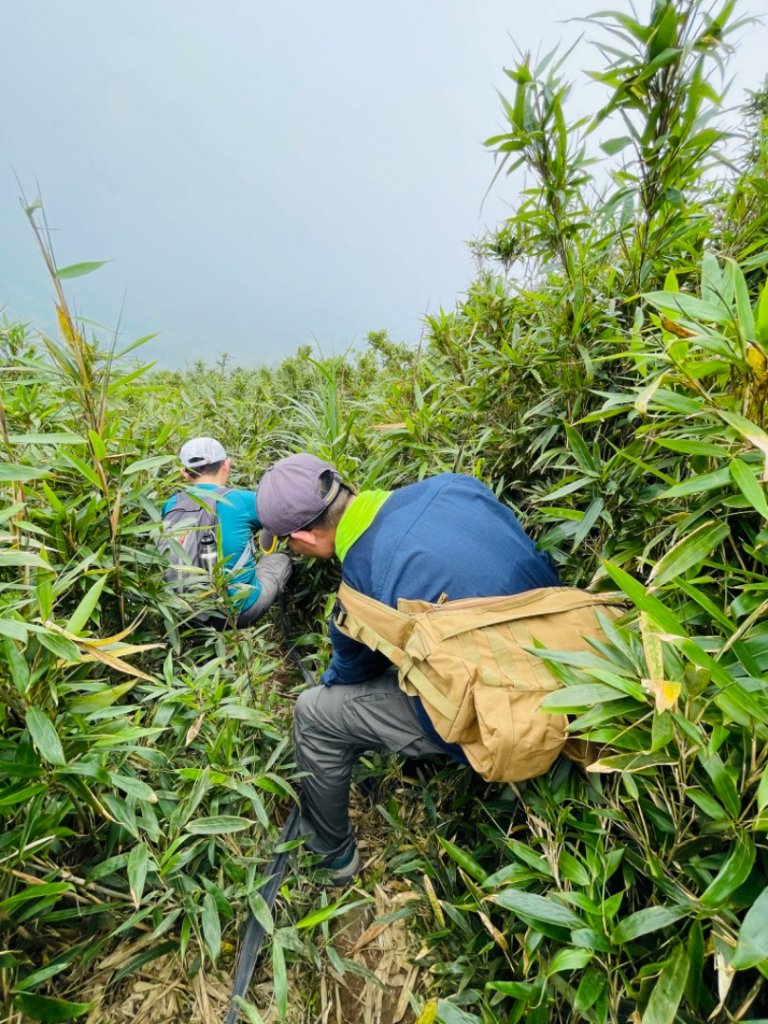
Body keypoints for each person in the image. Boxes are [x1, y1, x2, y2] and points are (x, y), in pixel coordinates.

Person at [256, 452, 561, 884]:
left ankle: (333, 857)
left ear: (305, 538)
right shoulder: (457, 484)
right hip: (572, 650)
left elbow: (347, 678)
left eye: (287, 543)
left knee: (315, 714)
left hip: (513, 712)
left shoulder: (356, 598)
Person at [163, 437, 292, 628]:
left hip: (183, 613)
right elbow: (284, 517)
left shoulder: (171, 505)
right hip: (239, 612)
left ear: (185, 473)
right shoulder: (241, 500)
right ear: (226, 464)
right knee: (281, 559)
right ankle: (292, 622)